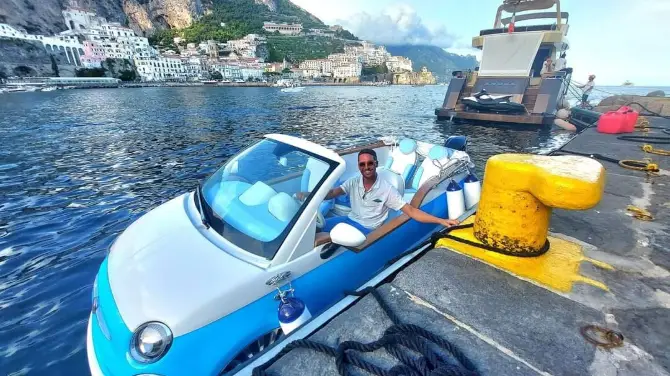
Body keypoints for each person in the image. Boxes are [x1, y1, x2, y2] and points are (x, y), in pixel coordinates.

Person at [297, 149, 459, 235]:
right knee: (313, 230)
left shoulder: (386, 190)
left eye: (370, 163)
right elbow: (332, 193)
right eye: (362, 164)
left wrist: (441, 221)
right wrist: (310, 195)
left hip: (366, 230)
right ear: (359, 166)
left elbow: (411, 211)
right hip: (349, 219)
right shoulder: (353, 181)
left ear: (376, 163)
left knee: (323, 239)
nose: (366, 167)